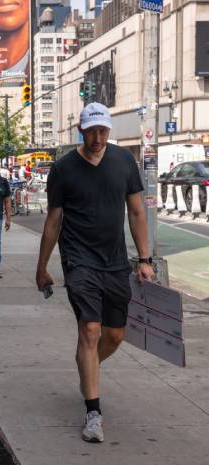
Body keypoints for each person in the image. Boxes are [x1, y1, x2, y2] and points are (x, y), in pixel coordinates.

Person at [35, 102, 155, 444]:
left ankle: (88, 366)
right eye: (92, 132)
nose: (98, 138)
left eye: (103, 131)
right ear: (81, 131)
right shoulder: (63, 169)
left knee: (114, 335)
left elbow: (135, 213)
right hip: (79, 260)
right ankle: (93, 412)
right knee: (89, 329)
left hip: (115, 262)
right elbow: (54, 221)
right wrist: (42, 267)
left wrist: (144, 258)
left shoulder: (124, 162)